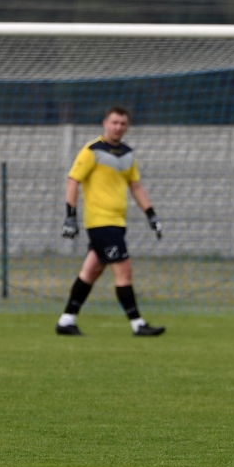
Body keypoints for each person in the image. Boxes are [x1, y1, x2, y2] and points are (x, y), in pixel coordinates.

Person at [56, 106, 165, 337]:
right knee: (124, 271)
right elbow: (73, 180)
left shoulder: (128, 153)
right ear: (105, 123)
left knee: (90, 272)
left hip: (117, 223)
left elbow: (136, 186)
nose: (118, 127)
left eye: (122, 123)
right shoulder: (92, 150)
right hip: (100, 223)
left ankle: (66, 320)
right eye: (114, 122)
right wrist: (70, 216)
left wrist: (151, 214)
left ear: (127, 126)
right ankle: (137, 324)